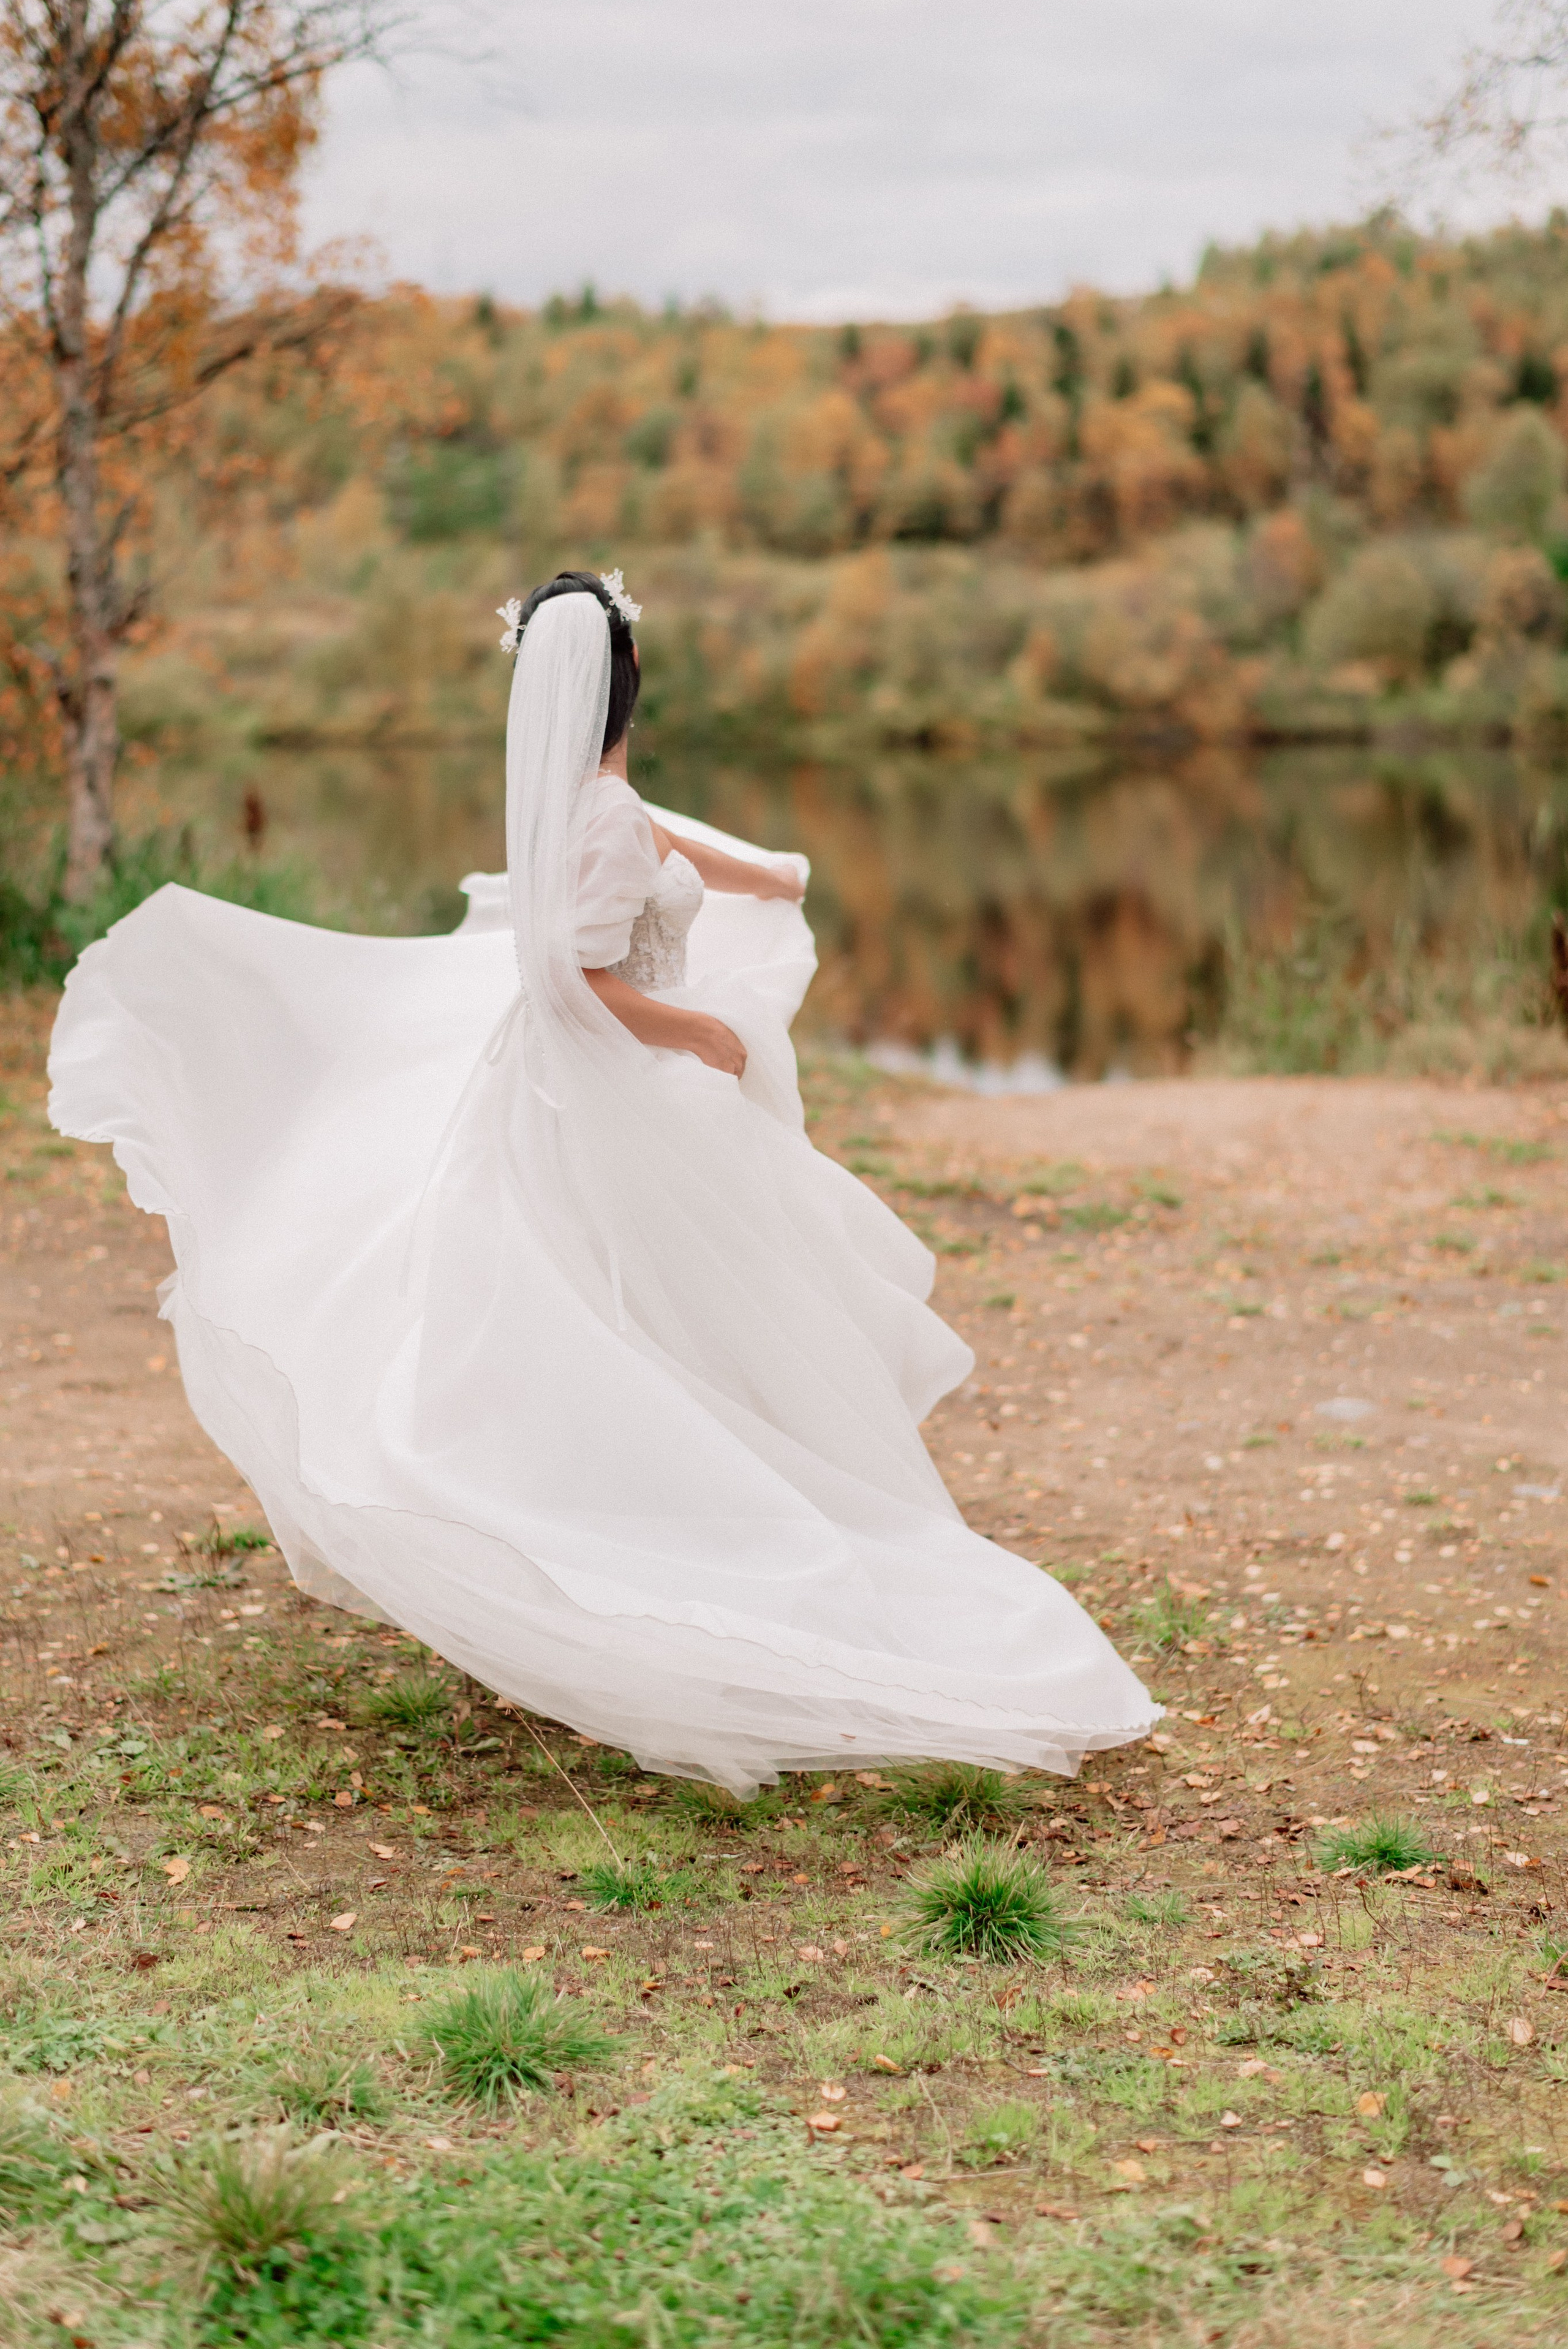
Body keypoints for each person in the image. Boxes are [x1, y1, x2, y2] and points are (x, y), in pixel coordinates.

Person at [47, 569, 1156, 1793]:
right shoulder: (600, 818)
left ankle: (644, 1506)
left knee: (620, 1321)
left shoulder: (579, 800)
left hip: (551, 1089)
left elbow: (654, 841)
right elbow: (580, 975)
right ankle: (688, 1539)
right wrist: (706, 1039)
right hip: (632, 1083)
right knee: (691, 1317)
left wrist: (771, 877)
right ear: (629, 680)